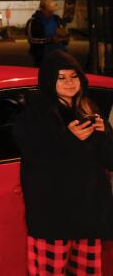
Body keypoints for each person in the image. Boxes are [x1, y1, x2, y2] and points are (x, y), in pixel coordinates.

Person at [14, 50, 113, 275]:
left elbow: (108, 160)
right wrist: (67, 139)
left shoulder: (88, 109)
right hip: (52, 220)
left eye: (73, 76)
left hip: (88, 218)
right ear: (49, 80)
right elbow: (36, 158)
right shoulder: (34, 114)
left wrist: (104, 134)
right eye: (61, 77)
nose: (69, 82)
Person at [27, 0, 69, 67]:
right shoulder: (34, 21)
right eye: (49, 11)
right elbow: (32, 39)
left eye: (52, 11)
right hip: (42, 56)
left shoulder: (57, 19)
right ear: (42, 9)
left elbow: (64, 32)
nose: (51, 13)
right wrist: (50, 40)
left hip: (59, 55)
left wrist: (65, 38)